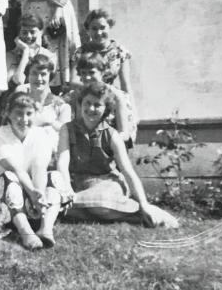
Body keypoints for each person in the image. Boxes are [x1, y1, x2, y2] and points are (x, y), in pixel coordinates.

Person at [56, 82, 178, 227]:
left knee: (97, 203)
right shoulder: (67, 129)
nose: (91, 109)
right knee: (65, 205)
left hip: (108, 184)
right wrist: (68, 191)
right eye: (87, 103)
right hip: (79, 184)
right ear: (81, 103)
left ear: (106, 109)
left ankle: (143, 211)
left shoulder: (112, 135)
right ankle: (131, 215)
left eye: (97, 105)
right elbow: (62, 163)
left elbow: (128, 171)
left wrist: (144, 203)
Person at [0, 92, 73, 250]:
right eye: (18, 114)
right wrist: (32, 193)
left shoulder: (41, 134)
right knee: (9, 177)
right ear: (8, 114)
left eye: (29, 114)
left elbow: (39, 167)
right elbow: (16, 169)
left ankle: (45, 228)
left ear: (35, 114)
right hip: (6, 195)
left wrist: (39, 197)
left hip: (33, 195)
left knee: (56, 176)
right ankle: (26, 232)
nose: (24, 119)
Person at [71, 9, 136, 115]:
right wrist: (96, 89)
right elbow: (74, 81)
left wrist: (132, 112)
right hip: (86, 99)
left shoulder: (120, 51)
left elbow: (125, 84)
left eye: (102, 27)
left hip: (110, 98)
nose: (99, 33)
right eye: (94, 28)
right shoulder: (81, 52)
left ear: (109, 26)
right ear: (88, 30)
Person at [73, 52, 136, 146]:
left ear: (102, 72)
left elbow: (125, 133)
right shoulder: (78, 95)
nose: (87, 77)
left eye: (91, 72)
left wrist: (104, 142)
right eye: (83, 73)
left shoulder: (117, 96)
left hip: (111, 146)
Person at [8, 54, 72, 134]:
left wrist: (49, 123)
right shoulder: (19, 102)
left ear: (50, 76)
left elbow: (66, 134)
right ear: (28, 75)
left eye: (43, 74)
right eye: (34, 73)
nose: (39, 78)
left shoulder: (61, 107)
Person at [5, 15, 55, 90]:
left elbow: (46, 86)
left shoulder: (49, 56)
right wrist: (25, 52)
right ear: (18, 34)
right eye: (24, 32)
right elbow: (18, 80)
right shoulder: (9, 57)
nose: (29, 36)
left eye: (32, 32)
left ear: (41, 32)